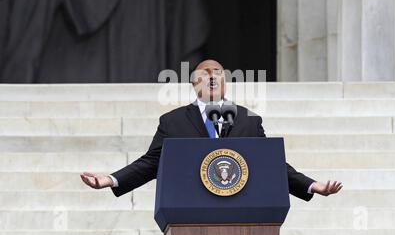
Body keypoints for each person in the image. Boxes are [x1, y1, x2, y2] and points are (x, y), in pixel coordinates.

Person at [81, 59, 343, 200]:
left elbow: (272, 164)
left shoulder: (248, 120)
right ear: (194, 84)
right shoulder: (172, 121)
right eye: (205, 73)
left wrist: (312, 186)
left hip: (242, 211)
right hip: (188, 211)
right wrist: (110, 180)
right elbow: (151, 163)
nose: (213, 75)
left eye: (218, 71)